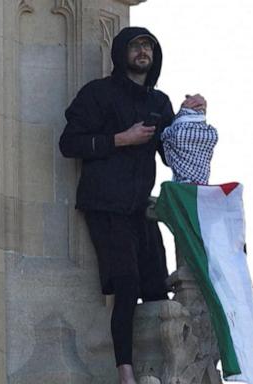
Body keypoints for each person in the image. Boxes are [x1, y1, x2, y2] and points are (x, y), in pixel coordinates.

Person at [59, 27, 206, 384]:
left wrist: (191, 116)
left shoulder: (159, 103)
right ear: (122, 51)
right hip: (106, 204)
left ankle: (156, 369)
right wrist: (120, 139)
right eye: (137, 45)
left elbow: (174, 154)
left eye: (149, 47)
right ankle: (125, 374)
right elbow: (69, 143)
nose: (143, 52)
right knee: (126, 284)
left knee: (156, 286)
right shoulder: (98, 93)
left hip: (141, 207)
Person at [161, 98, 218, 184]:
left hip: (182, 187)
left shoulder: (176, 133)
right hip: (201, 186)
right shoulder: (210, 133)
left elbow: (164, 135)